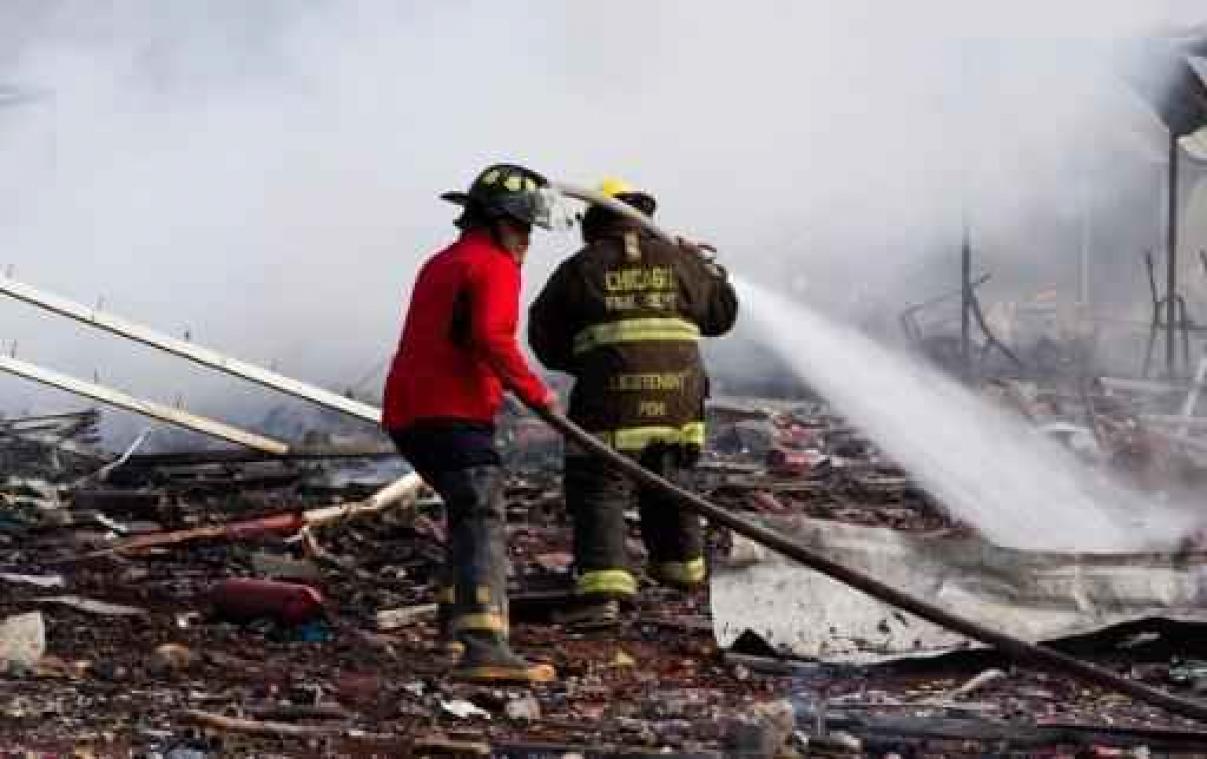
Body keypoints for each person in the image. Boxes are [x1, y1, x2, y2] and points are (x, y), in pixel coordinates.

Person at [528, 177, 738, 625]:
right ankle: (681, 573)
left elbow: (544, 337)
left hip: (609, 403)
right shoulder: (682, 261)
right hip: (679, 401)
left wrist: (590, 361)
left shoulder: (579, 269)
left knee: (598, 487)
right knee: (670, 481)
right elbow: (721, 317)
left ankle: (605, 592)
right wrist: (708, 268)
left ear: (594, 221)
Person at [382, 163, 558, 683]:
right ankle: (484, 644)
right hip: (450, 411)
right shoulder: (493, 264)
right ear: (500, 221)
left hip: (410, 413)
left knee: (464, 511)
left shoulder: (443, 261)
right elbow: (491, 336)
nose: (528, 239)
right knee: (481, 509)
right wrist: (538, 394)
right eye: (524, 227)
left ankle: (455, 632)